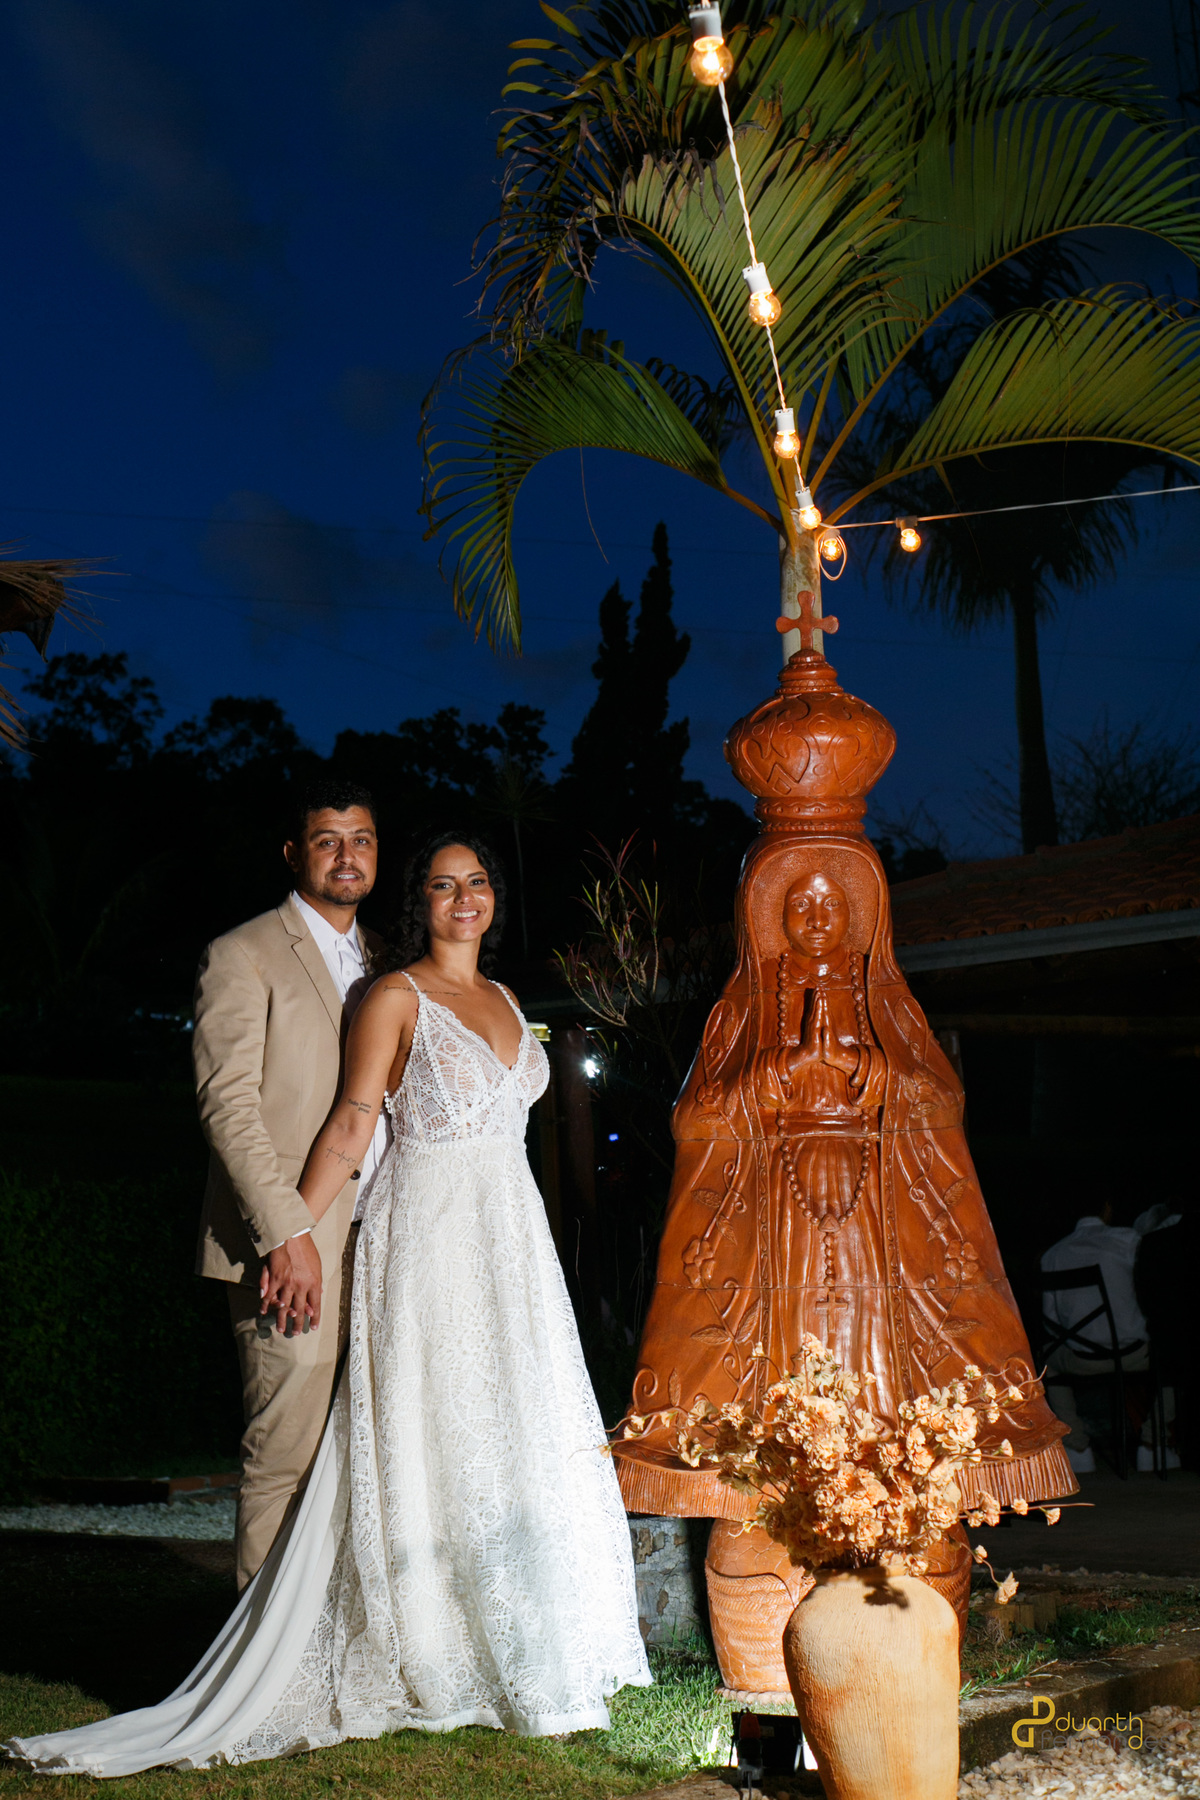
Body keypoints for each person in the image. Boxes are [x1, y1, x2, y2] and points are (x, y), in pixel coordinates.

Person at [6, 832, 650, 1775]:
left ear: (494, 901)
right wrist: (292, 1234)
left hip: (510, 1244)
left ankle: (516, 1641)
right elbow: (352, 1124)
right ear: (418, 903)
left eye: (476, 884)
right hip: (426, 1237)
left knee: (508, 1427)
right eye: (441, 885)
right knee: (427, 1431)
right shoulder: (395, 997)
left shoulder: (512, 1002)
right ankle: (422, 1644)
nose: (461, 899)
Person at [192, 779, 383, 1588]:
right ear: (294, 853)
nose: (348, 855)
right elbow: (226, 1105)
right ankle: (254, 1680)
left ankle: (328, 1653)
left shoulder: (384, 962)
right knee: (285, 1457)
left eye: (363, 839)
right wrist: (288, 1232)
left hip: (378, 1235)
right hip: (288, 1246)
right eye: (329, 839)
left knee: (360, 1461)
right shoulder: (244, 953)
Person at [1041, 1200, 1180, 1473]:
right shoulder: (1130, 1240)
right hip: (1136, 1355)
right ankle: (1152, 1445)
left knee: (1045, 1361)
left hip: (1081, 1358)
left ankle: (1077, 1447)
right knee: (1176, 1356)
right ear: (1107, 1209)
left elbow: (1051, 1322)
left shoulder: (1051, 1255)